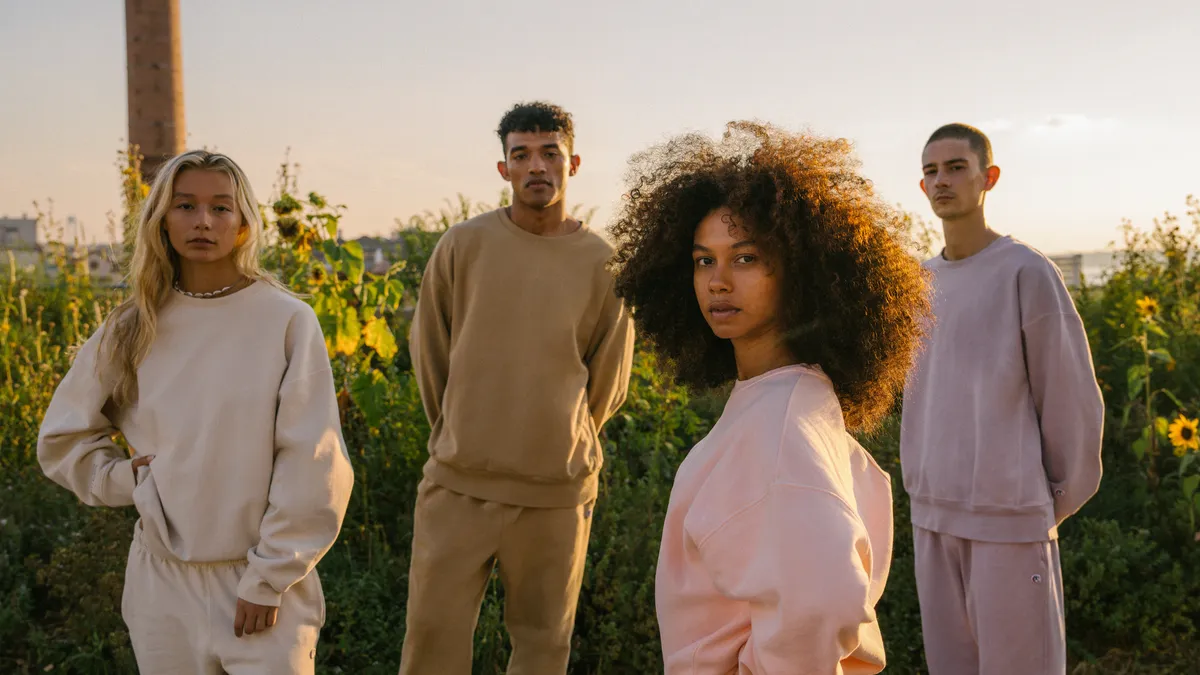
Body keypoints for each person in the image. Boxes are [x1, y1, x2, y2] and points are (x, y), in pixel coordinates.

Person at [609, 121, 932, 674]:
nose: (717, 281)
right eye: (703, 259)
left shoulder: (781, 420)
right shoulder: (794, 398)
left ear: (801, 272)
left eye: (745, 258)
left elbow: (823, 598)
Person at [37, 150, 355, 674]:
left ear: (245, 223)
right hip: (162, 586)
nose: (203, 221)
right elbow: (63, 437)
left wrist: (269, 578)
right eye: (185, 205)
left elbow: (313, 460)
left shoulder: (285, 321)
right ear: (161, 219)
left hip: (262, 585)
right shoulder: (132, 326)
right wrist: (124, 481)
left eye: (221, 207)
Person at [399, 101, 636, 674]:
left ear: (572, 163)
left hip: (556, 494)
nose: (537, 167)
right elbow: (431, 354)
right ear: (503, 169)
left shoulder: (604, 263)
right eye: (521, 155)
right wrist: (462, 430)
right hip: (458, 487)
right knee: (431, 644)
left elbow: (608, 381)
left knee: (542, 649)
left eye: (549, 153)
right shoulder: (462, 246)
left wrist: (561, 437)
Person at [900, 123, 1105, 674]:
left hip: (1009, 523)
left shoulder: (1026, 271)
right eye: (930, 171)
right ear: (922, 187)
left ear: (988, 178)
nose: (941, 180)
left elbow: (1071, 402)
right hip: (933, 518)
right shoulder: (917, 283)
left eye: (956, 167)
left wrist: (1035, 503)